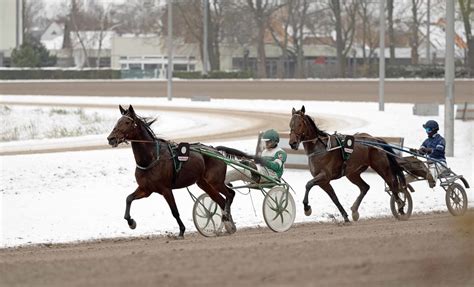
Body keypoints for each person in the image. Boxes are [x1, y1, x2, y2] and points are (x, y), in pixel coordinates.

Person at [408, 120, 446, 188]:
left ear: (434, 130)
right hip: (429, 163)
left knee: (431, 171)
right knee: (416, 170)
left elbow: (438, 151)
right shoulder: (426, 141)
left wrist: (428, 150)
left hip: (440, 163)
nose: (426, 131)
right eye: (426, 129)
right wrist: (416, 152)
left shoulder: (441, 140)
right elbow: (421, 152)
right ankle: (403, 182)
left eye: (428, 129)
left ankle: (432, 181)